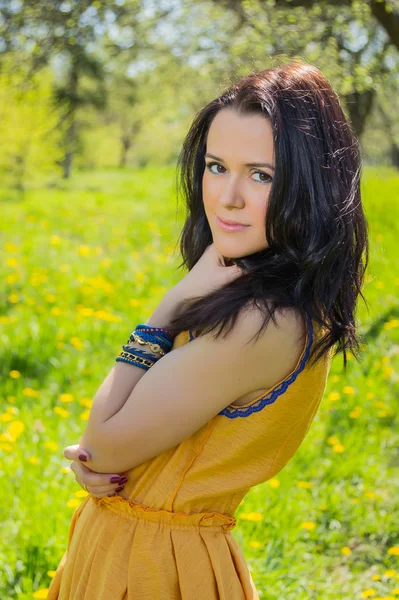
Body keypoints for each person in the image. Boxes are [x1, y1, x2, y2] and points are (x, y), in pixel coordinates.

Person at [47, 59, 369, 599]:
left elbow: (100, 450)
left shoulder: (259, 323)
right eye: (217, 166)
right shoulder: (269, 298)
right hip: (138, 545)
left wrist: (165, 309)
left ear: (310, 187)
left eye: (262, 175)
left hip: (154, 569)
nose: (228, 197)